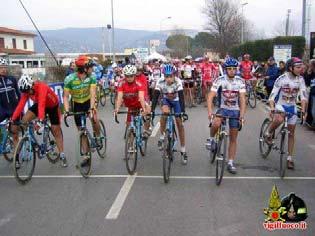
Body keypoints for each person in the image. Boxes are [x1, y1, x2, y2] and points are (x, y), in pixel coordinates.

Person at [12, 75, 67, 167]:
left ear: (32, 85)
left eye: (28, 91)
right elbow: (20, 106)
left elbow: (42, 103)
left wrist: (40, 120)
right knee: (24, 119)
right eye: (25, 92)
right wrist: (13, 119)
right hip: (40, 105)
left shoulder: (42, 87)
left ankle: (62, 155)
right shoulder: (26, 91)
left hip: (52, 106)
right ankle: (29, 140)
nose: (27, 93)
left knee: (56, 130)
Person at [266, 57, 308, 169]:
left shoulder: (301, 80)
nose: (300, 69)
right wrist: (272, 108)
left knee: (291, 133)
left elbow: (303, 97)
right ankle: (268, 133)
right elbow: (272, 96)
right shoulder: (281, 78)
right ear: (291, 68)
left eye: (301, 67)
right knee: (279, 119)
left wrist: (303, 111)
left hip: (292, 106)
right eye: (298, 67)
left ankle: (289, 158)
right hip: (281, 104)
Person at [206, 57, 246, 174]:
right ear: (225, 70)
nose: (232, 71)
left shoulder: (240, 81)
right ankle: (211, 139)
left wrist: (242, 116)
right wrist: (210, 112)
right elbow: (210, 96)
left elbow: (242, 99)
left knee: (233, 138)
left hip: (235, 110)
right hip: (223, 109)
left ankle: (230, 162)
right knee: (216, 122)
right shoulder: (219, 80)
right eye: (229, 69)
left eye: (234, 69)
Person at [63, 55, 101, 166]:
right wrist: (66, 110)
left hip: (89, 100)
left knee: (94, 118)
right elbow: (65, 97)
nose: (92, 69)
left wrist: (92, 108)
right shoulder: (69, 79)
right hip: (77, 104)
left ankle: (98, 137)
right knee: (81, 130)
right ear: (84, 68)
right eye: (90, 67)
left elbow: (93, 94)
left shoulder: (92, 77)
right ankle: (86, 155)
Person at [151, 64, 188, 164]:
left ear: (174, 75)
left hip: (176, 102)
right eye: (166, 76)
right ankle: (163, 136)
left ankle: (183, 150)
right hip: (166, 101)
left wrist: (183, 112)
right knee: (165, 113)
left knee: (179, 123)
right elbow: (155, 97)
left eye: (170, 76)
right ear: (164, 76)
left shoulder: (178, 82)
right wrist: (152, 110)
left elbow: (181, 98)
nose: (168, 78)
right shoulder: (160, 81)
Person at [114, 65, 151, 138]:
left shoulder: (139, 83)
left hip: (139, 102)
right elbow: (119, 97)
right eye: (127, 76)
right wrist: (117, 109)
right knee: (129, 125)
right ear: (124, 76)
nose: (129, 78)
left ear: (134, 75)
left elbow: (141, 97)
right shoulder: (122, 83)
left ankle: (146, 130)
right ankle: (131, 146)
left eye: (131, 76)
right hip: (130, 105)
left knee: (148, 110)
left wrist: (144, 109)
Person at [0, 58, 20, 146]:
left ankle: (17, 156)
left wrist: (20, 108)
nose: (3, 69)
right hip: (2, 111)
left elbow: (19, 94)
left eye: (5, 67)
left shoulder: (12, 79)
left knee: (15, 134)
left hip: (13, 110)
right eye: (1, 68)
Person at [304, 59, 315, 126]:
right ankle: (312, 123)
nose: (309, 66)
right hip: (312, 93)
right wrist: (308, 73)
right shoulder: (311, 73)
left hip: (313, 93)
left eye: (310, 65)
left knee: (313, 111)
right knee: (311, 110)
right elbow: (307, 83)